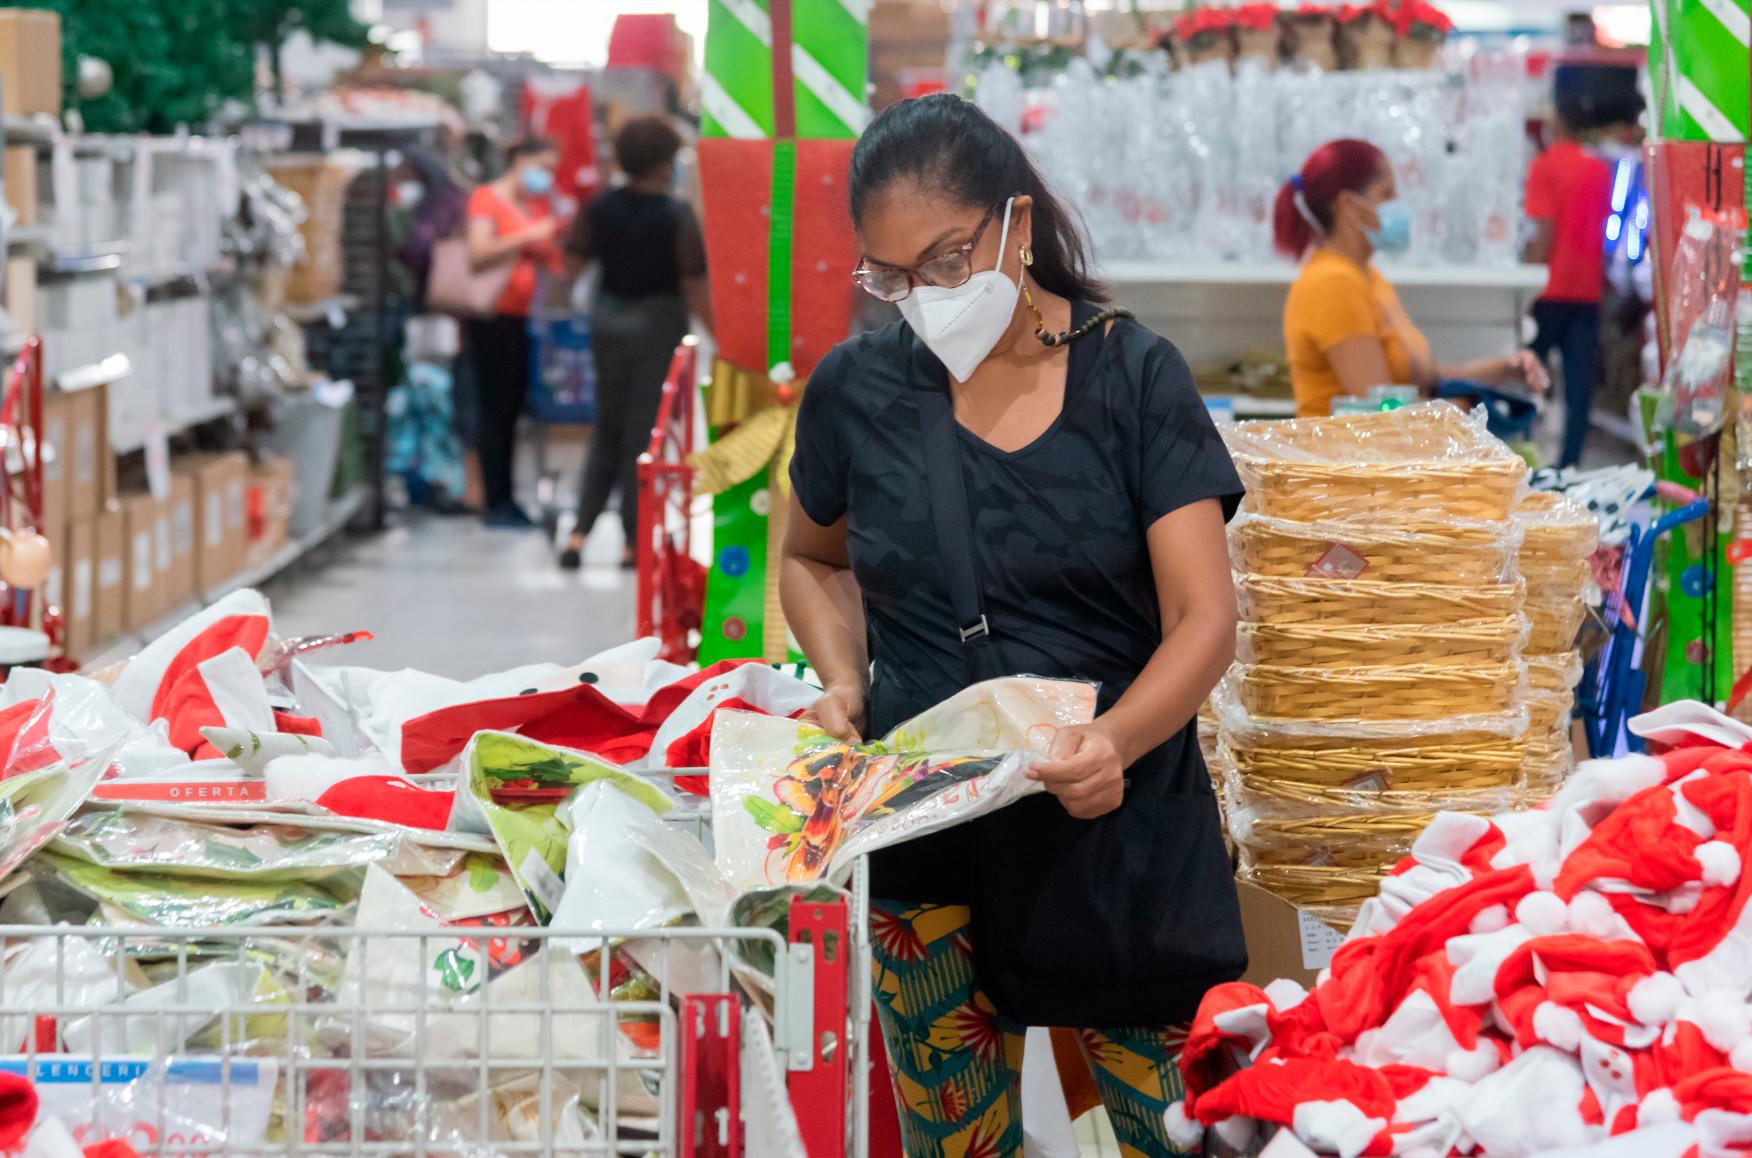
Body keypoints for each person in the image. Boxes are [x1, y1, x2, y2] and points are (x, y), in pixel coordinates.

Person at [780, 93, 1245, 1158]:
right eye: (890, 277)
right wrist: (843, 680)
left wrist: (1115, 742)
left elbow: (1201, 617)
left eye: (946, 261)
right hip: (923, 842)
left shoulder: (1133, 378)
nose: (924, 297)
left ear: (1015, 225)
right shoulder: (857, 387)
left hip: (1115, 834)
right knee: (959, 1144)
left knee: (1179, 1136)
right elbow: (808, 557)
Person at [1276, 138, 1547, 418]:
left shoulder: (1367, 276)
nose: (1398, 205)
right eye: (1386, 193)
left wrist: (1500, 370)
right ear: (1349, 205)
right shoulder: (1332, 284)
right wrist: (1460, 409)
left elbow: (1423, 377)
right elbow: (1379, 409)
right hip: (1339, 458)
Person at [558, 116, 714, 569]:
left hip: (607, 321)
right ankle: (633, 539)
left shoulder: (600, 206)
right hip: (657, 324)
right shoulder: (675, 214)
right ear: (664, 163)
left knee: (606, 425)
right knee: (644, 434)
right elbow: (693, 283)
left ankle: (579, 532)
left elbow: (572, 260)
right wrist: (723, 335)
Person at [464, 137, 562, 529]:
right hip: (491, 318)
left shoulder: (528, 205)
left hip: (518, 318)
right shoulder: (487, 199)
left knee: (510, 409)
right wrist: (530, 235)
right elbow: (478, 251)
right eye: (542, 166)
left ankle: (506, 496)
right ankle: (496, 501)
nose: (546, 177)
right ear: (519, 160)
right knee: (495, 410)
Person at [1524, 103, 1614, 468]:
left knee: (1529, 376)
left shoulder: (1543, 166)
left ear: (1556, 124)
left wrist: (1528, 283)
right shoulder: (1599, 170)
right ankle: (1570, 462)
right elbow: (1604, 234)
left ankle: (1522, 451)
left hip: (1548, 289)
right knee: (1579, 385)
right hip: (1587, 291)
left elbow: (1542, 231)